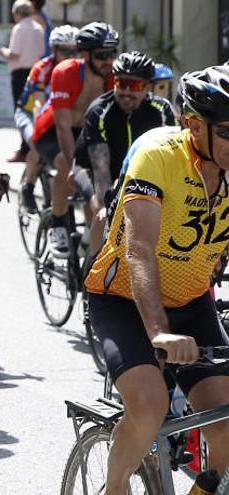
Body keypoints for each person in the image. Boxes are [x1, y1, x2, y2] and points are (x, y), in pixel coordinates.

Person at [84, 65, 229, 495]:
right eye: (226, 132)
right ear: (192, 124)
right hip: (123, 300)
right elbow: (140, 249)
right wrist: (159, 332)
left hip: (191, 300)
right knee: (148, 407)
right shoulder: (158, 155)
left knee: (224, 422)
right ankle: (114, 488)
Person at [32, 21, 118, 259]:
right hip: (51, 131)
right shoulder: (66, 72)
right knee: (64, 163)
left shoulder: (113, 76)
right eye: (102, 55)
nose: (109, 61)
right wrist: (74, 167)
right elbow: (61, 126)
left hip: (86, 131)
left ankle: (89, 241)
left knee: (100, 178)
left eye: (112, 53)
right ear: (84, 54)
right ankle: (57, 224)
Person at [80, 51, 175, 254]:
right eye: (121, 83)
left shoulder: (162, 110)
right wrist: (108, 204)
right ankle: (92, 275)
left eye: (135, 86)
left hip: (136, 176)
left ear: (149, 87)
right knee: (105, 214)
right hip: (88, 169)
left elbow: (173, 157)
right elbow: (101, 171)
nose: (126, 91)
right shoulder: (99, 111)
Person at [16, 23, 78, 211]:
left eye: (75, 51)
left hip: (57, 113)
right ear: (55, 50)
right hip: (28, 112)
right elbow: (38, 104)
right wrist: (39, 129)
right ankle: (28, 186)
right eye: (65, 51)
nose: (70, 56)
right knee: (37, 143)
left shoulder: (79, 68)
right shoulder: (42, 68)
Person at [0, 0, 43, 163]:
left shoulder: (19, 28)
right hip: (35, 72)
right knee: (33, 111)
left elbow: (14, 54)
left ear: (17, 13)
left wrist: (2, 51)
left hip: (19, 74)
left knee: (22, 112)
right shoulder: (39, 28)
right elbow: (40, 51)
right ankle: (30, 146)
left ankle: (25, 148)